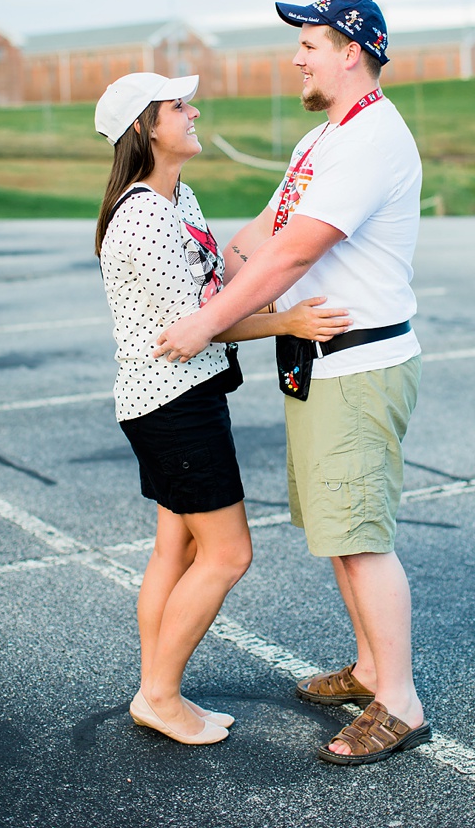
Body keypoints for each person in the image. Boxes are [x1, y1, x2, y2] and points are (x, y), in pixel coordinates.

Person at [152, 0, 430, 766]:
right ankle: (371, 668)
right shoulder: (323, 138)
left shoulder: (371, 138)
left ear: (352, 50)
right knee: (340, 533)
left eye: (309, 43)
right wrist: (207, 274)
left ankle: (399, 701)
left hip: (359, 361)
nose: (296, 57)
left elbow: (295, 254)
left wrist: (208, 323)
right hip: (318, 362)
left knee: (363, 539)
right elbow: (261, 237)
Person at [94, 71, 351, 746]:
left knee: (173, 551)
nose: (195, 111)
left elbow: (217, 291)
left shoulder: (176, 198)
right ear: (148, 127)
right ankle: (159, 694)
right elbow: (199, 325)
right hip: (173, 404)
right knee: (229, 554)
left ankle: (157, 689)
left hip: (180, 397)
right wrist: (287, 321)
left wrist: (273, 277)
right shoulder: (144, 215)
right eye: (180, 106)